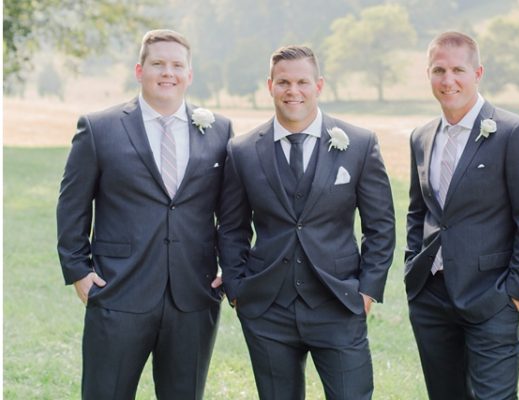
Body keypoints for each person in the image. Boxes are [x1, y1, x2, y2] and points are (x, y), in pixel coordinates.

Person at [56, 29, 233, 399]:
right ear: (139, 71)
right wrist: (78, 271)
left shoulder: (219, 130)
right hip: (119, 290)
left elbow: (230, 211)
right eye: (158, 64)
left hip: (193, 296)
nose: (168, 72)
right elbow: (72, 204)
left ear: (189, 74)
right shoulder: (99, 128)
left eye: (177, 65)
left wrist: (230, 269)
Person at [217, 45, 395, 399]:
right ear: (270, 86)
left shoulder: (359, 144)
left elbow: (381, 226)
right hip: (267, 309)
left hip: (338, 301)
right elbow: (232, 228)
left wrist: (366, 291)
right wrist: (237, 290)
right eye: (283, 82)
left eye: (302, 82)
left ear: (319, 85)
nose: (293, 91)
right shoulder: (242, 150)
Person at [404, 31, 519, 399]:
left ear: (478, 73)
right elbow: (418, 211)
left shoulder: (515, 133)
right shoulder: (421, 136)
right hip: (431, 297)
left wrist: (514, 292)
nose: (448, 80)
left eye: (458, 70)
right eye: (439, 70)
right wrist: (412, 269)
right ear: (428, 74)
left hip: (491, 296)